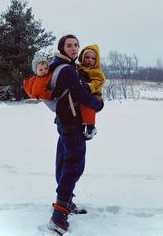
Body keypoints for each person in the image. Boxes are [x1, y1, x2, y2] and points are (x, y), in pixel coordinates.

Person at [47, 35, 103, 235]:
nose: (74, 48)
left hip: (64, 121)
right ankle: (59, 215)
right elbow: (82, 94)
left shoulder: (58, 66)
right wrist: (99, 105)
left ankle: (66, 201)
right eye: (69, 45)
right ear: (62, 48)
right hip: (72, 123)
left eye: (76, 45)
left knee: (63, 161)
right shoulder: (68, 70)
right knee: (74, 165)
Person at [77, 44, 106, 140]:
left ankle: (90, 127)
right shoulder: (79, 67)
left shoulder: (96, 71)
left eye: (93, 58)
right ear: (82, 57)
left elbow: (100, 81)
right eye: (87, 57)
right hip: (82, 93)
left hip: (94, 94)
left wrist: (89, 86)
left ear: (96, 60)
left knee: (87, 105)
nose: (90, 60)